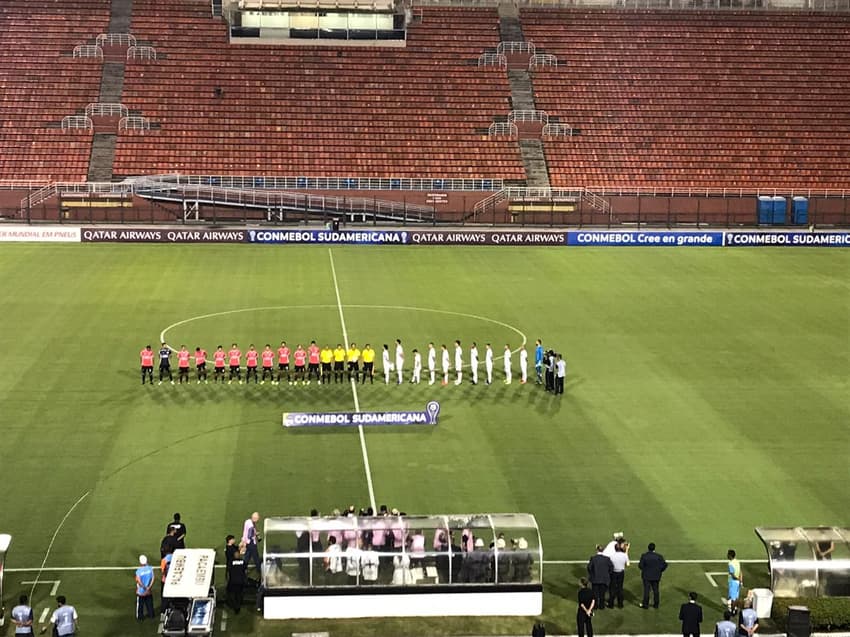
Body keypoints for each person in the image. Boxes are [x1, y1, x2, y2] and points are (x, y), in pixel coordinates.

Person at [638, 542, 668, 608]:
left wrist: (645, 570)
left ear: (648, 548)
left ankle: (645, 605)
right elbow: (665, 565)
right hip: (656, 576)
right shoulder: (659, 556)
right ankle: (656, 604)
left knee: (646, 590)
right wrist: (660, 570)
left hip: (646, 576)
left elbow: (640, 566)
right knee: (656, 590)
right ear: (654, 548)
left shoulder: (644, 556)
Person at [587, 545, 613, 612]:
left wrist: (592, 574)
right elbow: (611, 568)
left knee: (595, 593)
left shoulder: (593, 558)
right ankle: (601, 606)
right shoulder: (607, 559)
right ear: (603, 550)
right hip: (604, 579)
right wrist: (607, 574)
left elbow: (589, 568)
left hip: (595, 579)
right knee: (602, 593)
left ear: (597, 550)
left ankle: (595, 606)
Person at [226, 543, 248, 613]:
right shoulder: (242, 562)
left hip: (233, 581)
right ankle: (238, 606)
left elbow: (228, 570)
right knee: (239, 594)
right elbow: (245, 569)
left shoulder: (231, 562)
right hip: (240, 581)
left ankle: (234, 605)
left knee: (232, 594)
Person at [608, 540, 629, 608]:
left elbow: (609, 565)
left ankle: (611, 604)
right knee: (620, 588)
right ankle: (620, 604)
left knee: (612, 588)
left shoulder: (611, 556)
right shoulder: (624, 555)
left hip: (613, 573)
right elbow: (628, 564)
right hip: (621, 573)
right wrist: (627, 550)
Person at [134, 555, 155, 620]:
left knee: (140, 605)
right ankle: (151, 615)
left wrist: (144, 587)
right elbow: (153, 578)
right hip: (149, 591)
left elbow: (139, 581)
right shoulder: (150, 568)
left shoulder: (139, 571)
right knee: (149, 604)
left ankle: (140, 617)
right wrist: (149, 587)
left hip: (141, 591)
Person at [242, 512, 262, 577]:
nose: (258, 520)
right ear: (255, 518)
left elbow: (246, 532)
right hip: (251, 543)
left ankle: (243, 569)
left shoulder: (247, 521)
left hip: (247, 542)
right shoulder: (251, 526)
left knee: (247, 557)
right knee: (256, 557)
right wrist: (255, 534)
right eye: (257, 518)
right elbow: (250, 535)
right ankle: (259, 570)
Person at [727, 549, 742, 614]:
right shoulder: (737, 562)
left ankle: (732, 611)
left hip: (733, 582)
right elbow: (741, 572)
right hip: (738, 582)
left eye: (728, 554)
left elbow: (732, 575)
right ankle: (735, 609)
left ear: (730, 556)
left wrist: (737, 579)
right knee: (736, 597)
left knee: (733, 598)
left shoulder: (730, 563)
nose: (727, 555)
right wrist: (740, 580)